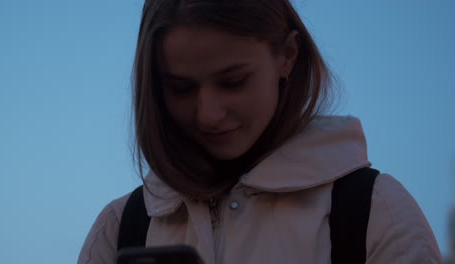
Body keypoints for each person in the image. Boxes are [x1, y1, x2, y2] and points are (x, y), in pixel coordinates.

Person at [78, 0, 443, 263]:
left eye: (233, 82)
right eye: (181, 88)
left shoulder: (375, 213)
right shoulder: (120, 230)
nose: (209, 114)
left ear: (287, 56)